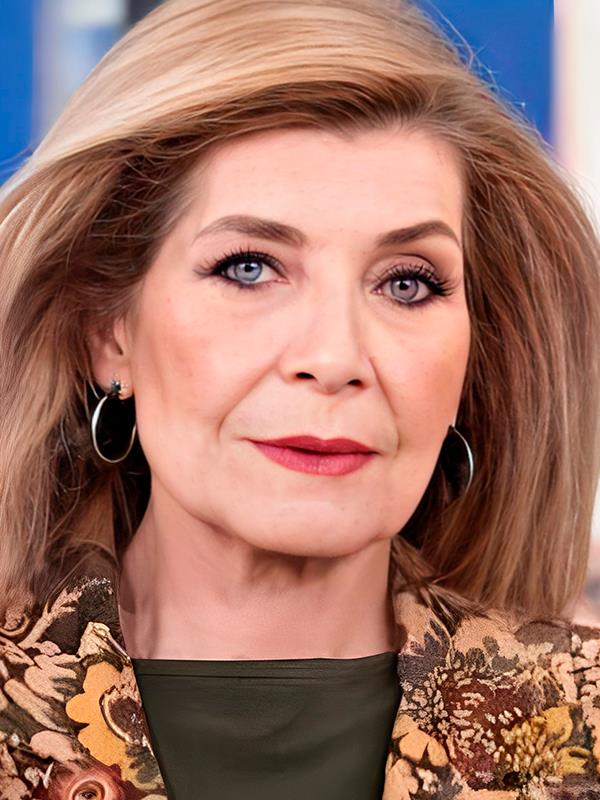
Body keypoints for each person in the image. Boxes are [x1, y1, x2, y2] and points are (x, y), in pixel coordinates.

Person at [0, 0, 599, 797]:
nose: (335, 358)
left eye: (407, 283)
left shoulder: (581, 726)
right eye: (249, 267)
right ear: (109, 334)